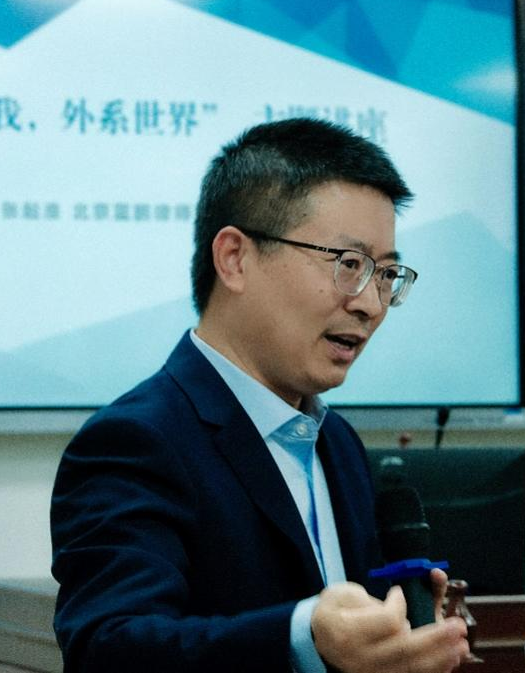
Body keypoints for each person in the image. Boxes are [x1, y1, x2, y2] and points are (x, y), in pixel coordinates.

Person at [50, 118, 469, 673]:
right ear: (235, 258)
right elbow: (109, 649)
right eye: (349, 265)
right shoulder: (135, 441)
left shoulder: (337, 442)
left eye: (387, 274)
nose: (371, 304)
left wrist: (397, 640)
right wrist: (302, 636)